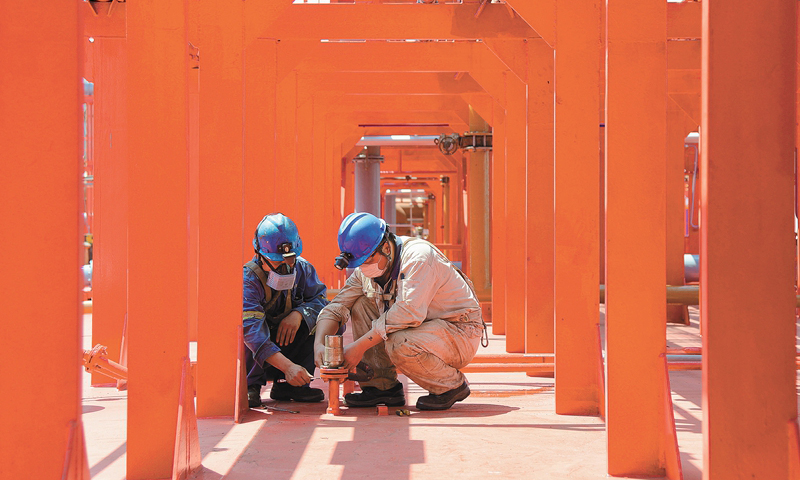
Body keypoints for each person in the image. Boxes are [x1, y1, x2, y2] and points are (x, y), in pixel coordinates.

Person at [313, 212, 486, 411]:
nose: (364, 268)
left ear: (386, 247)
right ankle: (381, 387)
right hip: (424, 328)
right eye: (360, 263)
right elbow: (336, 307)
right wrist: (319, 345)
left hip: (459, 331)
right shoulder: (365, 269)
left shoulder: (418, 257)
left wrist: (358, 348)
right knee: (360, 303)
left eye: (367, 261)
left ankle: (450, 385)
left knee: (399, 342)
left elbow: (408, 312)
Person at [243, 213, 328, 407]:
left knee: (329, 321)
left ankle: (290, 387)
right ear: (260, 254)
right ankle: (251, 386)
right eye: (277, 261)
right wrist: (288, 367)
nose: (285, 267)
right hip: (261, 356)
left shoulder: (303, 270)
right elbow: (253, 332)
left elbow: (322, 301)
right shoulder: (249, 281)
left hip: (289, 346)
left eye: (290, 259)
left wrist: (300, 314)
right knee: (246, 333)